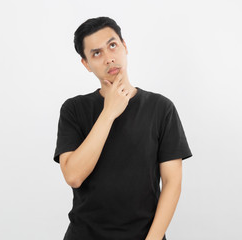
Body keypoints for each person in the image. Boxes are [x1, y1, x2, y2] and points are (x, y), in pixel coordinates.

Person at [53, 16, 193, 240]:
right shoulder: (74, 109)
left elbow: (172, 182)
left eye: (112, 45)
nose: (109, 58)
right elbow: (74, 176)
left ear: (124, 46)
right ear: (86, 64)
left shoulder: (160, 108)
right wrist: (109, 112)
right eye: (96, 53)